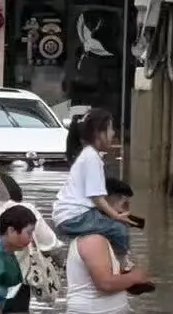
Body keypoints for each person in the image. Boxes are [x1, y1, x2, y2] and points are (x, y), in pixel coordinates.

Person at [64, 178, 155, 314]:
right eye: (124, 205)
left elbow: (108, 281)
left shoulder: (104, 240)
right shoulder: (93, 239)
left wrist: (129, 281)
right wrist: (135, 277)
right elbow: (105, 284)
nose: (127, 213)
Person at [52, 108, 133, 262]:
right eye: (110, 129)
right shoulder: (91, 158)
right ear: (99, 133)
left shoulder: (88, 155)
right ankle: (122, 264)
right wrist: (116, 216)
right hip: (75, 216)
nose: (113, 133)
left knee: (113, 223)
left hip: (72, 214)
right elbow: (97, 197)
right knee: (119, 229)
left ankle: (112, 258)